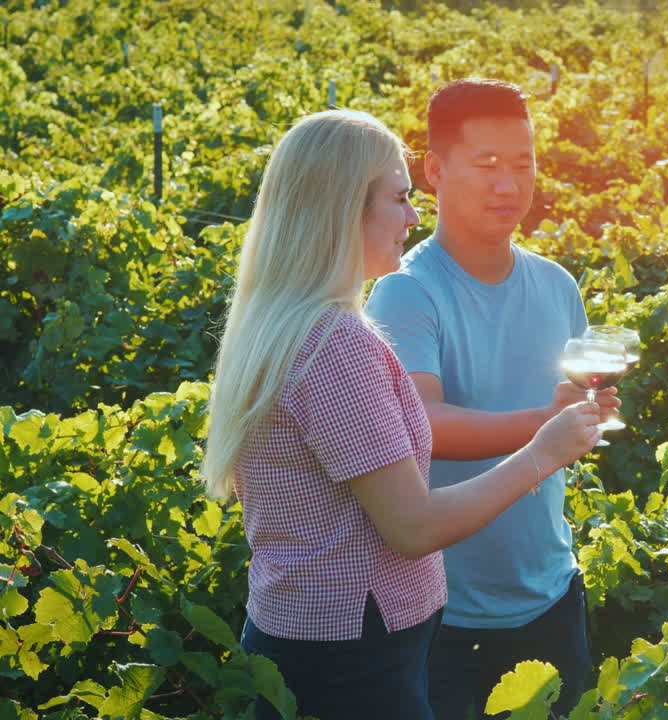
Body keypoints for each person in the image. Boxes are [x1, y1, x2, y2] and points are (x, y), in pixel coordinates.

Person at [201, 110, 602, 720]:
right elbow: (412, 528)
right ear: (341, 208)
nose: (413, 218)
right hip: (355, 656)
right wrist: (543, 451)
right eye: (398, 198)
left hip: (303, 633)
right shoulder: (335, 344)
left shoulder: (278, 323)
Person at [365, 79, 618, 718]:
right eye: (487, 166)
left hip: (553, 593)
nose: (509, 185)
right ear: (433, 171)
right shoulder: (406, 292)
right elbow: (422, 421)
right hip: (445, 612)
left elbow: (566, 414)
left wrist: (584, 417)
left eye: (523, 165)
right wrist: (545, 428)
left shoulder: (557, 285)